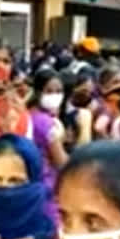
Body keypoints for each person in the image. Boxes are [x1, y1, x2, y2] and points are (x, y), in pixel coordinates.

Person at [28, 68, 68, 214]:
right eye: (49, 91)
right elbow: (61, 162)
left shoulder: (30, 114)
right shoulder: (46, 123)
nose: (55, 95)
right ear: (38, 92)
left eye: (59, 91)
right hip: (47, 185)